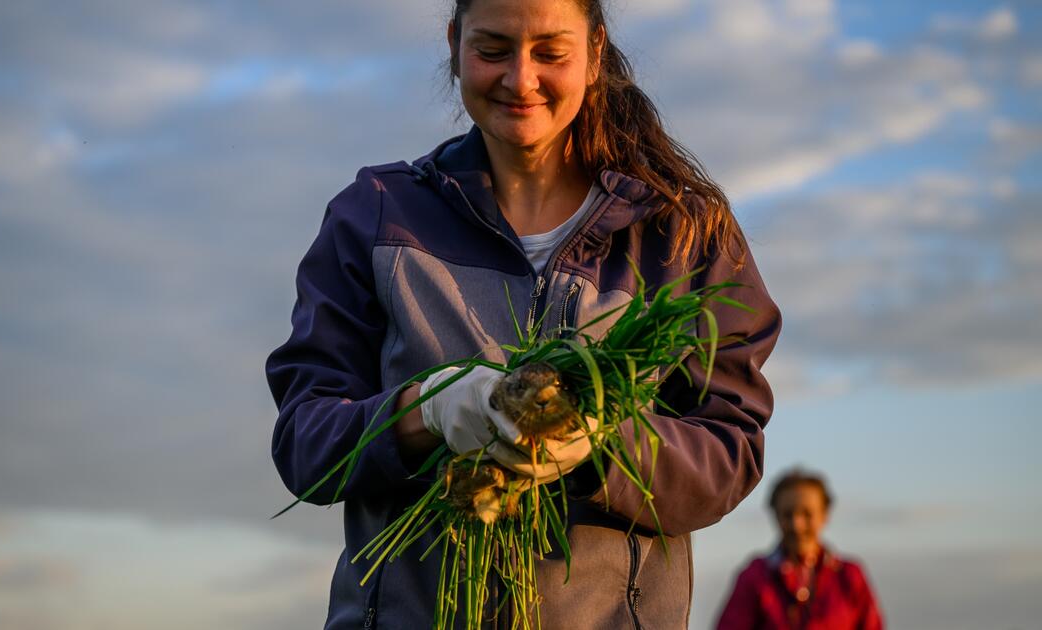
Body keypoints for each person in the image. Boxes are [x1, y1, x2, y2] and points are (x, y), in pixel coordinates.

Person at [266, 0, 781, 627]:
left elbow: (729, 453)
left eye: (550, 53)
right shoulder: (375, 217)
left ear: (594, 53)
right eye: (492, 49)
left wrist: (603, 446)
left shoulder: (683, 236)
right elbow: (305, 443)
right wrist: (426, 411)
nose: (520, 79)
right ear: (454, 45)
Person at [715, 470, 884, 630]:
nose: (797, 525)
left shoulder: (849, 576)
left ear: (824, 514)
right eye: (787, 514)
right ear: (775, 515)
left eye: (807, 514)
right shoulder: (756, 576)